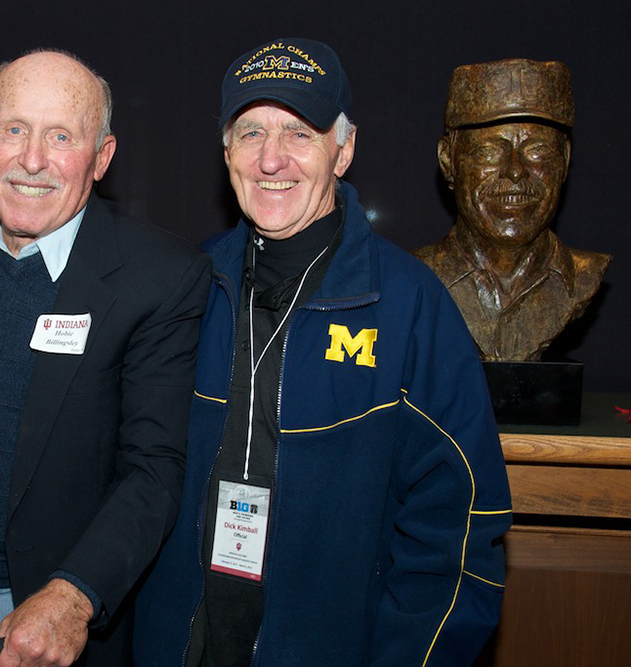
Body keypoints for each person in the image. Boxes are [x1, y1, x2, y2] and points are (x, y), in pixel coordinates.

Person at [134, 38, 512, 666]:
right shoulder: (185, 286)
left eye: (300, 133)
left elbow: (461, 531)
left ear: (345, 149)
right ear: (226, 150)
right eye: (251, 131)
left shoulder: (410, 306)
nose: (272, 159)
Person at [0, 49, 210, 666]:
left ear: (102, 157)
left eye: (61, 137)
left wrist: (74, 596)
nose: (31, 160)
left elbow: (154, 469)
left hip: (49, 614)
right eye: (14, 129)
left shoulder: (159, 278)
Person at [414, 58, 611, 361]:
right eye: (489, 152)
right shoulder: (413, 280)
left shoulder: (584, 278)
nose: (516, 171)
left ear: (565, 160)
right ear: (448, 162)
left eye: (538, 150)